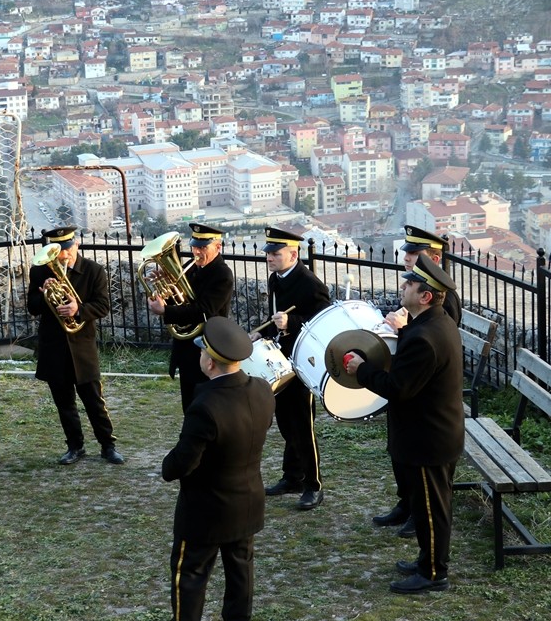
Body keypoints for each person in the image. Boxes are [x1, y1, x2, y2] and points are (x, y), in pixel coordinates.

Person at [142, 317, 275, 621]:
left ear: (209, 361)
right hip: (247, 501)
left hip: (205, 509)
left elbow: (182, 463)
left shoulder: (206, 406)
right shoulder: (262, 389)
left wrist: (167, 465)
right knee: (241, 570)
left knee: (190, 575)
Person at [344, 255, 464, 594]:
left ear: (425, 296)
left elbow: (398, 388)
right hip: (432, 432)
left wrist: (362, 369)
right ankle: (427, 559)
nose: (403, 286)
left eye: (410, 284)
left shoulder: (425, 339)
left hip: (428, 438)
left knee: (431, 508)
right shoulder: (434, 325)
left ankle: (433, 573)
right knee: (428, 505)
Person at [373, 225, 462, 537]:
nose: (406, 258)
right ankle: (408, 505)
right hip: (415, 410)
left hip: (428, 417)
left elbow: (427, 350)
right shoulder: (425, 308)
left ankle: (426, 541)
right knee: (405, 460)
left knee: (429, 499)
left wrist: (400, 330)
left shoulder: (441, 308)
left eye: (414, 253)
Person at [248, 227, 332, 510]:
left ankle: (313, 485)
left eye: (275, 253)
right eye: (268, 253)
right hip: (281, 358)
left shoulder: (310, 283)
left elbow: (324, 320)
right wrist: (263, 332)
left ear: (293, 254)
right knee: (286, 421)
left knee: (302, 425)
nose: (269, 257)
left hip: (304, 361)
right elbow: (277, 316)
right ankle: (293, 476)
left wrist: (292, 323)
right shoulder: (275, 279)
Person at [27, 226, 124, 465]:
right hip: (54, 346)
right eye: (58, 251)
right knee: (64, 403)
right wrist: (45, 294)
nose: (64, 255)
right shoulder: (39, 271)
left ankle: (108, 445)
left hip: (82, 346)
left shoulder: (93, 271)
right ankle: (75, 446)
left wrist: (78, 309)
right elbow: (32, 307)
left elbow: (102, 306)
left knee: (94, 401)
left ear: (76, 245)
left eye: (68, 249)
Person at [147, 223, 233, 412]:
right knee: (189, 403)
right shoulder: (191, 266)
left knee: (206, 405)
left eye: (203, 247)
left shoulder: (222, 274)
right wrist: (164, 292)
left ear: (218, 247)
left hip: (208, 346)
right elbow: (180, 301)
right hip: (187, 348)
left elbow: (205, 310)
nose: (197, 252)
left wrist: (165, 312)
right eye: (195, 246)